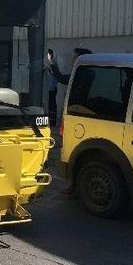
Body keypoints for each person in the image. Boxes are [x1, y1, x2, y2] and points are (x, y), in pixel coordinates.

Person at [48, 47, 93, 196]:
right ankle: (74, 185)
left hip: (79, 115)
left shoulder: (83, 73)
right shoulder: (89, 72)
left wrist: (52, 65)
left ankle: (74, 186)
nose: (73, 61)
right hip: (79, 114)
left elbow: (62, 79)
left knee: (72, 152)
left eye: (75, 58)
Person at [46, 49, 58, 125]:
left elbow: (55, 74)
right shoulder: (48, 64)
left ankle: (53, 121)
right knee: (50, 104)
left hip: (52, 88)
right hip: (48, 88)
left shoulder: (53, 64)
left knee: (52, 104)